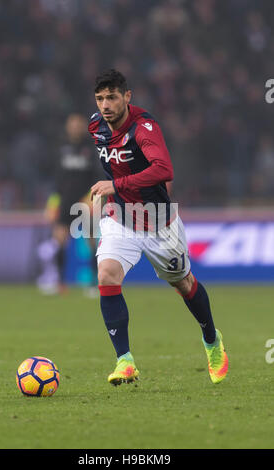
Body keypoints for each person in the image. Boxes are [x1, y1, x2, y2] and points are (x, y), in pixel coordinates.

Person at [88, 69, 228, 386]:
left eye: (112, 97)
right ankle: (124, 361)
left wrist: (117, 184)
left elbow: (164, 169)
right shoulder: (95, 126)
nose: (106, 104)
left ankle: (211, 339)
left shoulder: (144, 128)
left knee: (184, 284)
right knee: (107, 274)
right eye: (100, 98)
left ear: (127, 96)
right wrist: (116, 192)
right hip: (120, 218)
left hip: (158, 223)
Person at [37, 113, 99, 296]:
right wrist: (53, 201)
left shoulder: (91, 148)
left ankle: (93, 284)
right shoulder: (60, 148)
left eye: (78, 124)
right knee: (59, 239)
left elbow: (98, 175)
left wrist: (92, 196)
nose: (75, 127)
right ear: (67, 126)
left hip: (85, 200)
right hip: (65, 200)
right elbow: (56, 179)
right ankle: (59, 282)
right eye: (72, 124)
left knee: (90, 241)